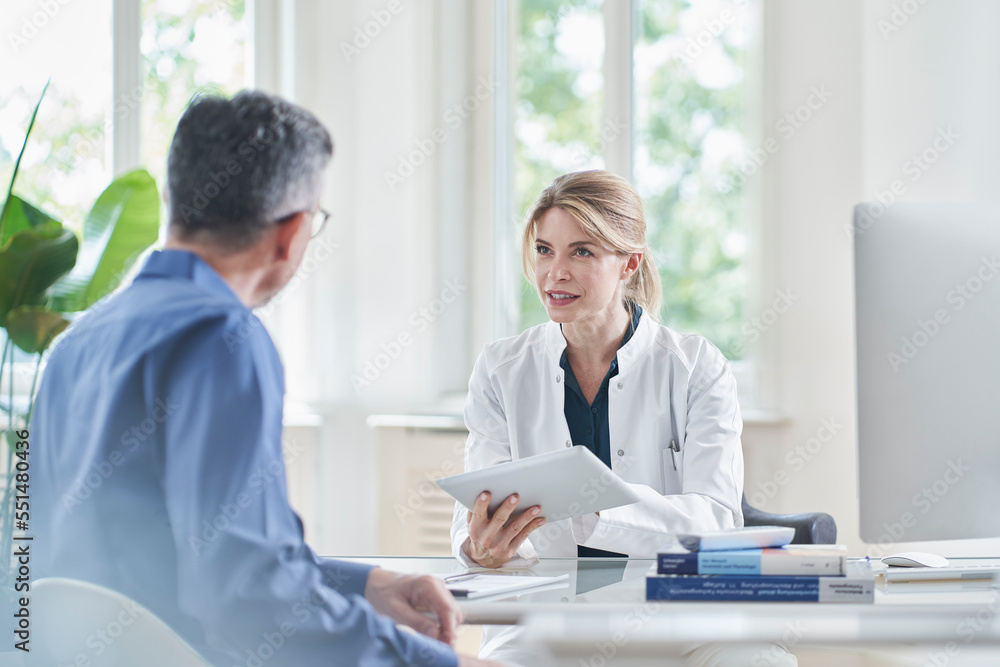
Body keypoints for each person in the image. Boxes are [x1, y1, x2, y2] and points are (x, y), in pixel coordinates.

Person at [32, 91, 500, 667]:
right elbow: (249, 598)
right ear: (292, 232)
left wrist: (365, 584)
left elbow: (196, 557)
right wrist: (438, 663)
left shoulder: (76, 341)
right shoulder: (221, 336)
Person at [451, 169, 745, 568]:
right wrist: (480, 548)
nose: (555, 272)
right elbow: (478, 512)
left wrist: (594, 512)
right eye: (544, 250)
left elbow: (717, 520)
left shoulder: (697, 368)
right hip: (540, 596)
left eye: (581, 252)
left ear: (629, 264)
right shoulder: (500, 369)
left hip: (658, 595)